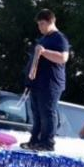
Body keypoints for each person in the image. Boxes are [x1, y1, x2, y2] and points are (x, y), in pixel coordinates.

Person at [20, 9, 70, 152]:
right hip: (37, 83)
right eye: (38, 24)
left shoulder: (59, 38)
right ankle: (34, 141)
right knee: (36, 114)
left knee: (47, 113)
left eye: (42, 23)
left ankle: (47, 143)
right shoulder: (43, 39)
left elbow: (63, 58)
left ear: (51, 22)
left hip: (51, 83)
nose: (40, 27)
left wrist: (43, 52)